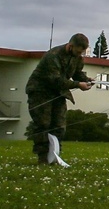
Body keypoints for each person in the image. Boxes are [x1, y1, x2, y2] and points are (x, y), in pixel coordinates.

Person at [25, 33, 94, 165]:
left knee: (59, 125)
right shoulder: (53, 56)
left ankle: (55, 156)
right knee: (43, 124)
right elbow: (56, 80)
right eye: (78, 51)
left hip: (58, 92)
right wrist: (78, 85)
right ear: (70, 46)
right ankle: (43, 157)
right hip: (40, 92)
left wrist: (86, 80)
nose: (79, 55)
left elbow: (77, 73)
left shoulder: (78, 58)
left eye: (82, 53)